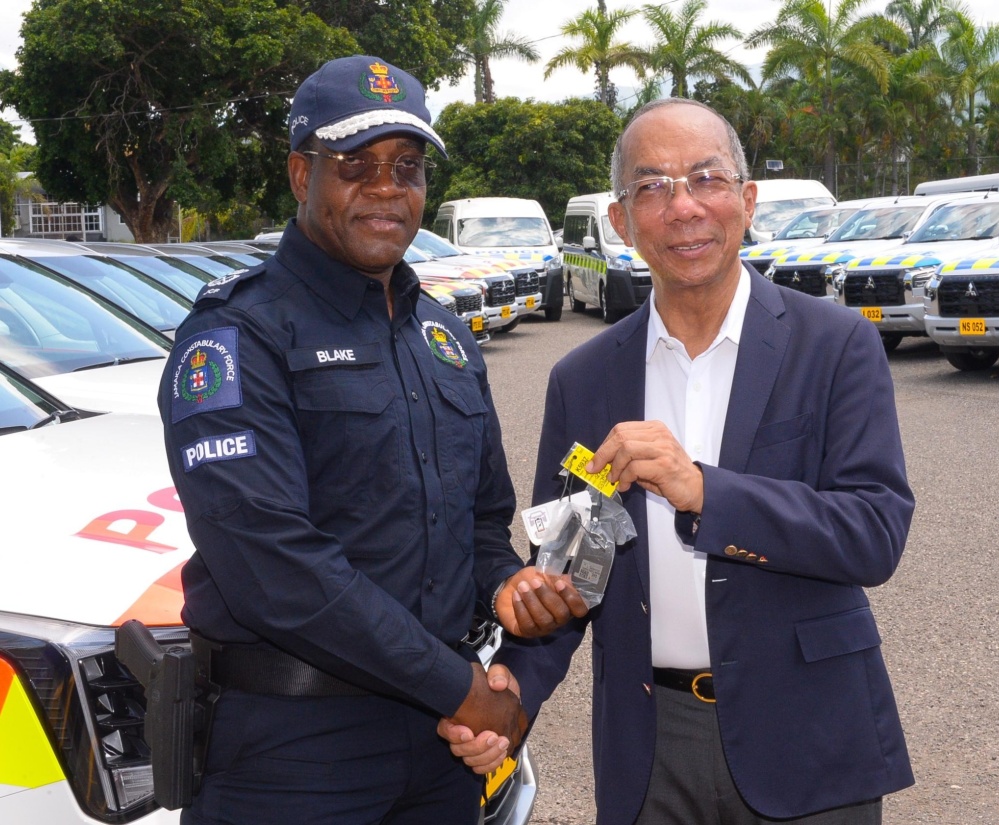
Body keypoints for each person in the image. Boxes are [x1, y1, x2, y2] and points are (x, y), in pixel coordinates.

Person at [158, 55, 583, 825]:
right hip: (294, 750)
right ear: (300, 174)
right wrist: (465, 691)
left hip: (439, 744)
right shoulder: (236, 335)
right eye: (356, 164)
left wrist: (504, 587)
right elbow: (276, 566)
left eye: (408, 167)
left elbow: (483, 518)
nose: (388, 188)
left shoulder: (443, 334)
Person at [477, 98, 916, 824]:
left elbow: (874, 532)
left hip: (806, 735)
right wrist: (509, 693)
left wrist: (702, 491)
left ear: (746, 200)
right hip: (650, 748)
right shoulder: (584, 380)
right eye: (651, 187)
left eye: (706, 179)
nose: (683, 207)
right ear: (620, 221)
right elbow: (571, 568)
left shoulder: (835, 345)